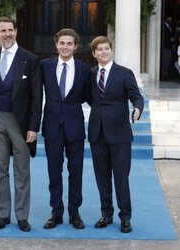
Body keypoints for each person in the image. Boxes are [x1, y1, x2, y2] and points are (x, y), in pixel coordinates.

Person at [0, 16, 42, 232]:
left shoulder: (30, 59)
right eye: (2, 30)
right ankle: (3, 215)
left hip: (21, 121)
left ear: (16, 31)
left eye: (10, 30)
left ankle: (22, 216)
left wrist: (34, 126)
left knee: (22, 170)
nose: (7, 34)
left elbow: (37, 96)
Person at [88, 36, 144, 233]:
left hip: (119, 134)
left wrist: (137, 108)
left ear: (111, 50)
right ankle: (106, 213)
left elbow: (136, 96)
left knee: (121, 177)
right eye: (99, 49)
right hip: (97, 133)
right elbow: (90, 98)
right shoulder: (91, 73)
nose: (103, 52)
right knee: (101, 176)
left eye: (106, 48)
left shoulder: (124, 73)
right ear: (94, 53)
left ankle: (125, 217)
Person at [41, 28, 90, 230]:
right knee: (54, 171)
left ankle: (74, 213)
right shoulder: (44, 66)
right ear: (56, 44)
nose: (65, 47)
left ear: (76, 46)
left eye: (70, 44)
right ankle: (56, 212)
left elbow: (91, 96)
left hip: (75, 126)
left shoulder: (85, 69)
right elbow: (35, 94)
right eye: (62, 43)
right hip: (52, 126)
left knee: (76, 171)